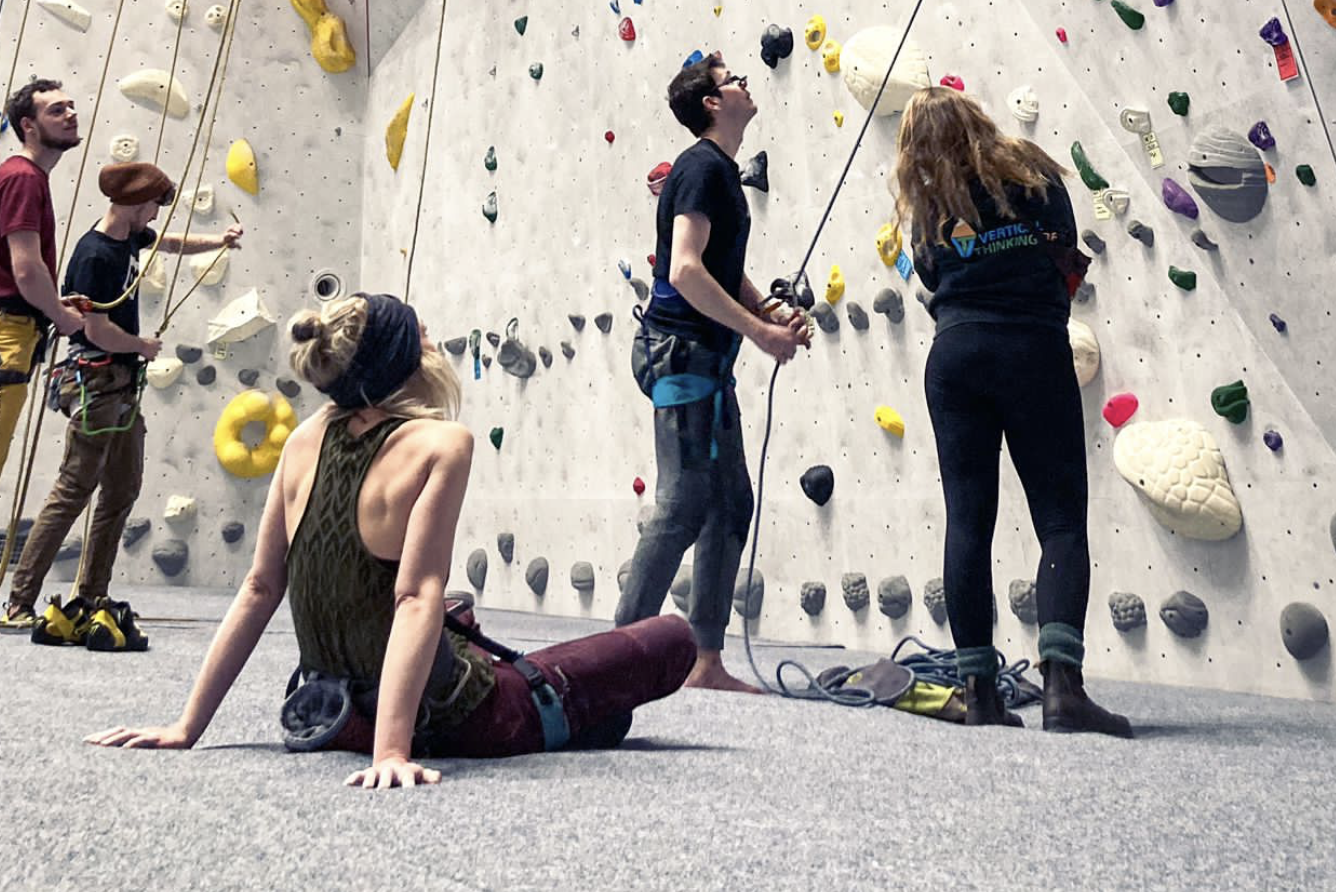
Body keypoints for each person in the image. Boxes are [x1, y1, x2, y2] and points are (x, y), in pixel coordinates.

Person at [86, 291, 696, 785]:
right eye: (423, 333)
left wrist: (186, 726)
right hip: (464, 716)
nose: (432, 340)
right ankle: (573, 711)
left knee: (467, 617)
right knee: (670, 638)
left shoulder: (301, 441)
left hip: (334, 703)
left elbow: (258, 587)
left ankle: (590, 713)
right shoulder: (441, 444)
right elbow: (414, 597)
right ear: (405, 357)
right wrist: (391, 752)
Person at [891, 87, 1132, 737]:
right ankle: (1062, 689)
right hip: (1031, 347)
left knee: (968, 519)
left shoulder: (930, 203)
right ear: (979, 121)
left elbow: (933, 279)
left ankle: (980, 693)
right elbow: (1064, 248)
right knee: (1059, 519)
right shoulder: (1033, 167)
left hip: (957, 357)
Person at [614, 52, 810, 692]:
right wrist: (759, 334)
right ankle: (614, 661)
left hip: (704, 358)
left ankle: (704, 661)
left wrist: (767, 308)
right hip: (683, 354)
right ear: (711, 104)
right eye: (734, 81)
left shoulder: (717, 172)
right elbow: (685, 270)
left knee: (729, 501)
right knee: (683, 502)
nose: (746, 85)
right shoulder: (701, 169)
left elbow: (718, 265)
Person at [2, 160, 242, 645]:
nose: (156, 216)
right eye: (153, 205)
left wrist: (218, 242)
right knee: (75, 487)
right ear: (135, 203)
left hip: (121, 384)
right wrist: (141, 347)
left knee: (122, 488)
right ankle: (19, 600)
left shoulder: (129, 237)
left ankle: (91, 594)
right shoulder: (94, 256)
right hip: (95, 380)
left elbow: (170, 244)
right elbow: (92, 328)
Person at [0, 80, 91, 488]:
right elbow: (26, 270)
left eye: (71, 106)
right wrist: (59, 314)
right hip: (8, 334)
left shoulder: (23, 175)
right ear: (28, 126)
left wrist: (51, 303)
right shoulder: (24, 178)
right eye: (56, 110)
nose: (71, 114)